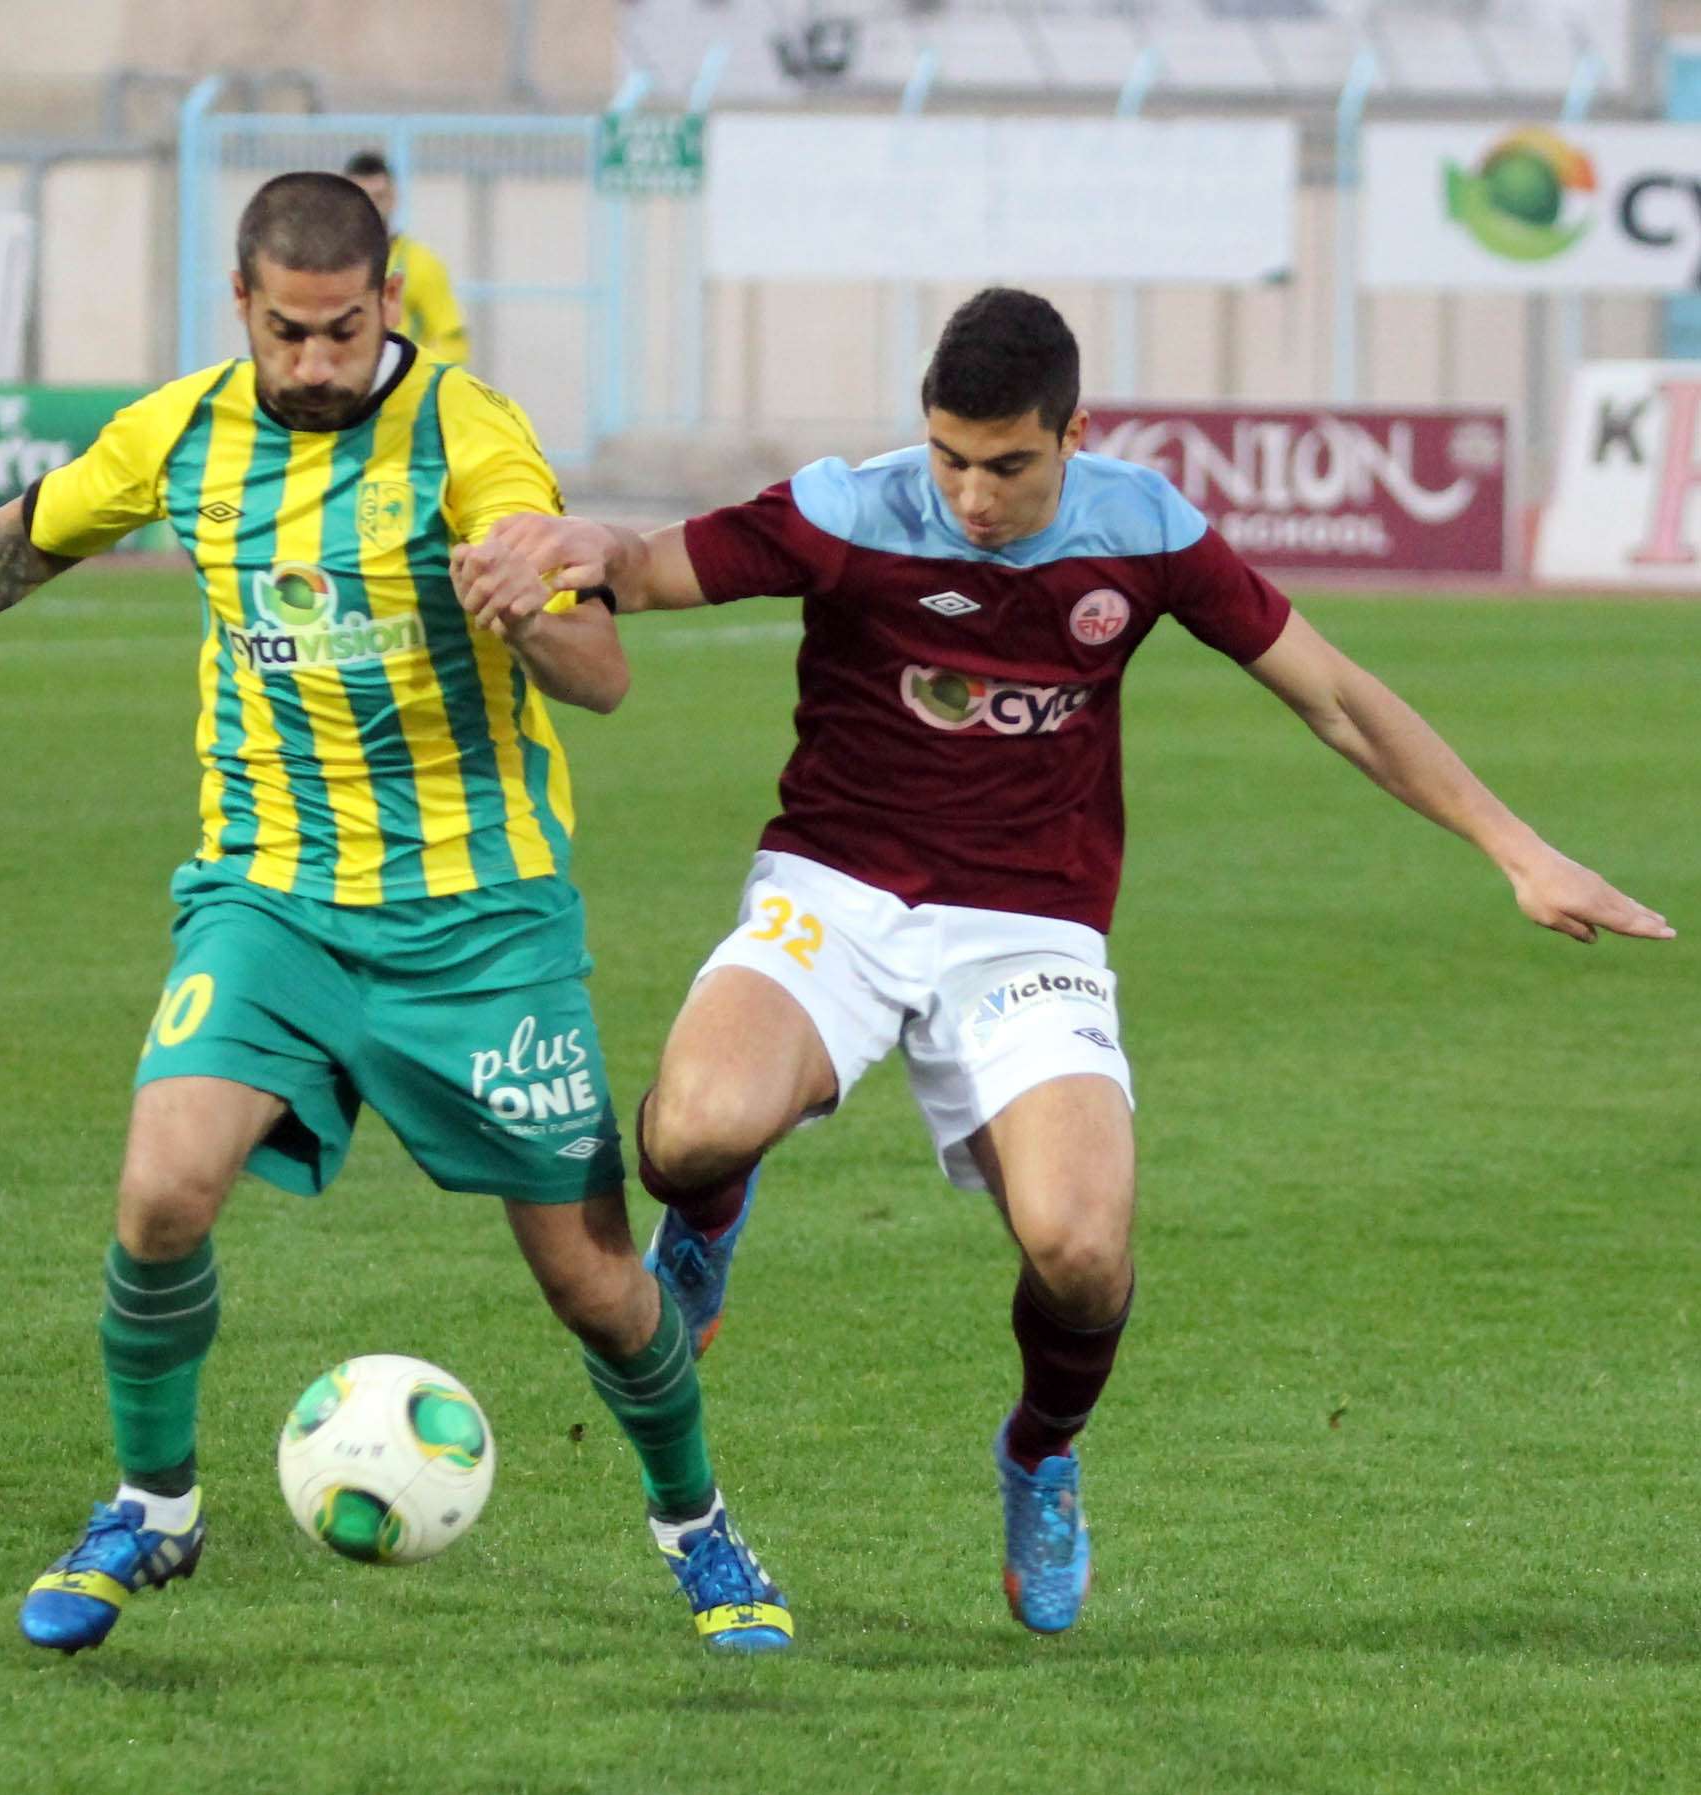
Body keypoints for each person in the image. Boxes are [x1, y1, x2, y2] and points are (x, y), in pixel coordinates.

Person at [454, 286, 1673, 1637]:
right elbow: (643, 565)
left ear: (1072, 434)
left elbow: (1334, 697)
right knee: (688, 1131)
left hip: (1028, 927)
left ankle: (1039, 1452)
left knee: (1081, 1249)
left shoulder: (1141, 530)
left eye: (1007, 464)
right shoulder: (850, 508)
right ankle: (710, 1213)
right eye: (948, 458)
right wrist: (579, 546)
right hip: (837, 892)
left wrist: (1517, 851)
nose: (971, 497)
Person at [0, 172, 791, 1656]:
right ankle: (153, 1504)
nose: (315, 362)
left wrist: (524, 607)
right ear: (240, 304)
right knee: (160, 1192)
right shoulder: (179, 429)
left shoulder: (469, 435)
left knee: (588, 1278)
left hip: (475, 919)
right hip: (268, 900)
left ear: (389, 303)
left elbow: (602, 676)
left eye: (344, 332)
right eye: (288, 332)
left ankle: (695, 1525)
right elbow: (34, 530)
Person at [343, 150, 469, 364]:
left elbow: (453, 343)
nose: (372, 207)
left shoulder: (421, 263)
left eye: (379, 197)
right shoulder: (328, 264)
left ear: (394, 197)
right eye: (363, 197)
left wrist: (411, 371)